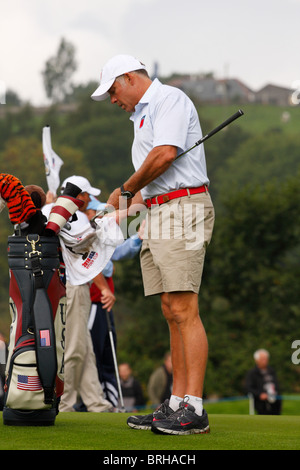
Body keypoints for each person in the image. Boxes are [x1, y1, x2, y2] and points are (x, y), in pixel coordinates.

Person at [91, 54, 215, 435]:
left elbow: (165, 155)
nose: (113, 99)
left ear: (129, 78)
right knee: (169, 308)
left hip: (185, 209)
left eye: (113, 90)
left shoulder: (169, 100)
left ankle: (193, 407)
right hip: (159, 212)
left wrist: (125, 191)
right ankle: (176, 403)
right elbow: (149, 191)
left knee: (183, 305)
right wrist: (116, 214)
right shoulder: (140, 117)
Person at [51, 175, 114, 413]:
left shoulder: (56, 211)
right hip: (74, 285)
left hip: (66, 285)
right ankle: (64, 403)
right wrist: (105, 287)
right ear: (79, 197)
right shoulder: (76, 217)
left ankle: (96, 402)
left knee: (85, 348)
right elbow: (86, 260)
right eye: (87, 195)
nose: (90, 199)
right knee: (75, 347)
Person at [85, 197, 144, 407]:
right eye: (98, 213)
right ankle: (92, 398)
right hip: (92, 301)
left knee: (108, 350)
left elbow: (117, 253)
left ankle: (109, 397)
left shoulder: (102, 235)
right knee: (93, 351)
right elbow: (95, 264)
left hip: (103, 303)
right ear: (88, 213)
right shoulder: (85, 232)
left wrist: (138, 238)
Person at [245, 349, 282, 415]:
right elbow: (248, 387)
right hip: (261, 405)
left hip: (275, 403)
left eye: (266, 359)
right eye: (262, 359)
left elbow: (276, 385)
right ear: (256, 360)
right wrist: (259, 394)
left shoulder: (271, 371)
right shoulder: (252, 373)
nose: (265, 361)